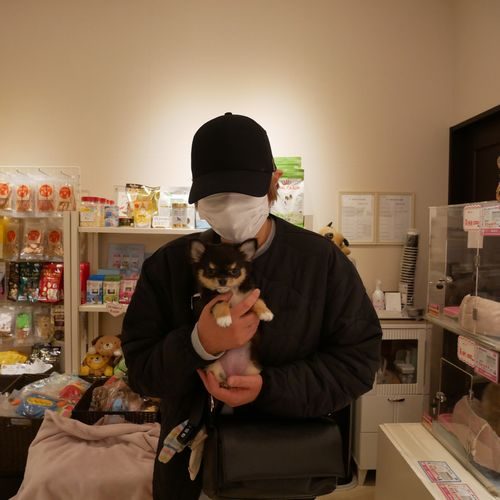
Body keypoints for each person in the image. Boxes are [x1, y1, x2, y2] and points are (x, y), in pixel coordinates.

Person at [121, 112, 382, 500]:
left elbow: (358, 364)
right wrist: (198, 343)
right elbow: (141, 372)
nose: (229, 207)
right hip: (188, 475)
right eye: (215, 196)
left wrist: (268, 387)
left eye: (242, 193)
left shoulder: (320, 263)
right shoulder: (169, 265)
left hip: (286, 473)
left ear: (275, 181)